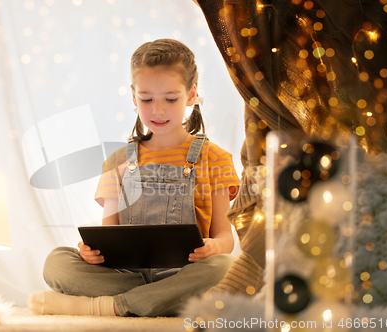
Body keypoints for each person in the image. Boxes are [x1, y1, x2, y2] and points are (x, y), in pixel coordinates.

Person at [28, 39, 240, 317]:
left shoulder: (215, 158)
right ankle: (156, 299)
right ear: (133, 96)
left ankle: (107, 306)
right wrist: (91, 252)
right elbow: (108, 235)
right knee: (56, 262)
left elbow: (226, 236)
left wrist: (215, 247)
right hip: (126, 274)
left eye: (171, 98)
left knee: (225, 268)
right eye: (147, 99)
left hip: (188, 272)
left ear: (191, 95)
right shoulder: (117, 161)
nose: (158, 110)